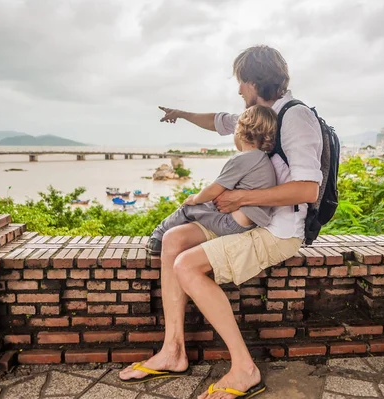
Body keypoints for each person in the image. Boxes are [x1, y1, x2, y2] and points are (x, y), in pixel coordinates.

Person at [119, 45, 323, 399]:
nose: (238, 90)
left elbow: (307, 189)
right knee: (174, 240)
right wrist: (181, 114)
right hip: (250, 218)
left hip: (278, 231)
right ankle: (173, 351)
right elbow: (218, 121)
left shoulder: (295, 117)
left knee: (186, 265)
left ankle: (245, 369)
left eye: (241, 83)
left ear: (255, 81)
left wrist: (242, 197)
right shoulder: (261, 114)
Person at [146, 105, 278, 255]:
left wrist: (195, 198)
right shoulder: (263, 159)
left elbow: (213, 190)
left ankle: (157, 237)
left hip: (232, 225)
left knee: (189, 209)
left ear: (240, 130)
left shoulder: (242, 159)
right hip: (250, 224)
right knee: (205, 207)